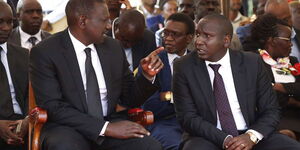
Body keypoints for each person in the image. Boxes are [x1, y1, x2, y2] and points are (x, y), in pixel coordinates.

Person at [30, 0, 164, 150]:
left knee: (149, 146)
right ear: (82, 21)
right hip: (67, 128)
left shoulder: (113, 47)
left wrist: (145, 75)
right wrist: (105, 128)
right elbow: (54, 107)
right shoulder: (46, 52)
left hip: (110, 121)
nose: (109, 26)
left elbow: (130, 98)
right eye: (104, 20)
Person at [173, 14, 300, 150]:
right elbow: (187, 117)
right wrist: (226, 140)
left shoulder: (251, 63)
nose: (198, 41)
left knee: (290, 147)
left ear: (226, 40)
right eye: (198, 34)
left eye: (207, 36)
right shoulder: (184, 66)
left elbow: (271, 110)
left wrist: (251, 136)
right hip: (208, 136)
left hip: (251, 133)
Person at [139, 13, 194, 150]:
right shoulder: (152, 62)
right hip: (165, 122)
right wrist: (175, 96)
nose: (168, 39)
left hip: (197, 121)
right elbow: (149, 105)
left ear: (189, 38)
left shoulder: (199, 61)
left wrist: (165, 95)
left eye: (175, 34)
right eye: (166, 33)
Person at [251, 13, 300, 140]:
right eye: (288, 39)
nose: (291, 44)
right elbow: (265, 96)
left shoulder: (293, 61)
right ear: (271, 40)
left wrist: (282, 88)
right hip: (272, 119)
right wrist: (292, 99)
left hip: (296, 115)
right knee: (286, 136)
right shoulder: (254, 61)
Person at [0, 2, 29, 150]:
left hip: (24, 125)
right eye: (0, 22)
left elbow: (33, 95)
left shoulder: (24, 55)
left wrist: (26, 122)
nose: (6, 28)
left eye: (10, 22)